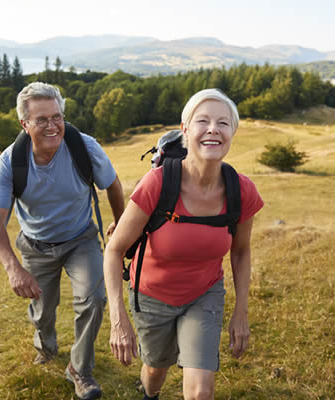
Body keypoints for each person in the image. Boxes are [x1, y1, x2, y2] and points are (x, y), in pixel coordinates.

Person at [103, 88, 264, 400]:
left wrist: (241, 311)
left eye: (223, 123)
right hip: (151, 295)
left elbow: (241, 251)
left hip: (204, 294)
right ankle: (150, 393)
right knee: (154, 372)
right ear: (185, 130)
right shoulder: (159, 183)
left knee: (202, 391)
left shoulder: (241, 190)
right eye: (202, 121)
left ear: (232, 133)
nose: (213, 129)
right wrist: (117, 318)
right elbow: (114, 250)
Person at [0, 82, 124, 400]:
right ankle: (46, 346)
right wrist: (13, 268)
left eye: (57, 117)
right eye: (42, 120)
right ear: (25, 124)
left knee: (93, 299)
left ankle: (79, 369)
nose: (53, 126)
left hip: (81, 239)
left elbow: (113, 184)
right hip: (35, 245)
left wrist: (121, 225)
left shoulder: (84, 146)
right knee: (43, 311)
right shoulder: (11, 161)